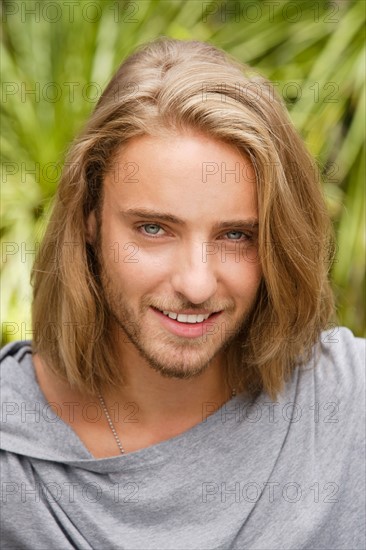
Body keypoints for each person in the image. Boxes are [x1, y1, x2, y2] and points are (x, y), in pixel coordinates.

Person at [1, 37, 364, 550]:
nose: (196, 284)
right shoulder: (12, 461)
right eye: (153, 229)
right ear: (89, 219)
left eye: (236, 235)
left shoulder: (349, 406)